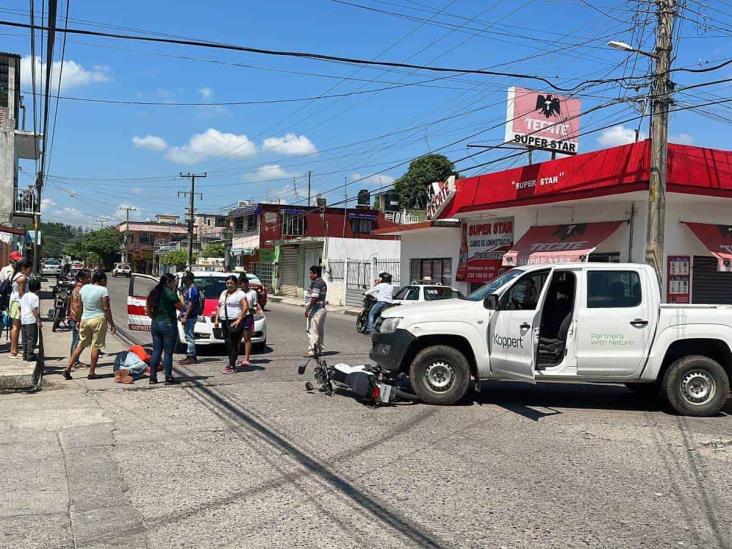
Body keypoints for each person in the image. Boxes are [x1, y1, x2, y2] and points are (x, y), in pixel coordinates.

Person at [63, 270, 116, 380]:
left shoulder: (84, 288)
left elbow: (80, 307)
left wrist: (78, 320)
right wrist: (111, 323)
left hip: (85, 319)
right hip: (98, 319)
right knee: (96, 346)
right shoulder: (103, 290)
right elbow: (106, 308)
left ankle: (68, 369)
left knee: (81, 345)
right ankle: (91, 372)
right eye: (105, 280)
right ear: (102, 280)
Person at [146, 273, 184, 385]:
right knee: (168, 352)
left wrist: (155, 318)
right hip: (168, 325)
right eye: (173, 282)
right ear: (169, 282)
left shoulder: (154, 292)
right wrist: (181, 298)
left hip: (155, 324)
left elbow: (148, 309)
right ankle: (168, 377)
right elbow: (181, 308)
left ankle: (152, 377)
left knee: (156, 350)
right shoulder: (170, 293)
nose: (174, 284)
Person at [214, 275, 247, 374]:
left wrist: (238, 320)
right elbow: (219, 306)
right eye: (228, 283)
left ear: (236, 284)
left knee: (233, 343)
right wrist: (216, 319)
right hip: (225, 321)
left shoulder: (240, 294)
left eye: (231, 283)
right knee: (227, 343)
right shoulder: (224, 293)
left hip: (235, 321)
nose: (229, 285)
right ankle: (231, 362)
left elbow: (245, 307)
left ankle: (232, 366)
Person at [8, 259, 32, 359]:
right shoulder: (22, 278)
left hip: (14, 303)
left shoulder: (17, 275)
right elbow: (22, 294)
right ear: (23, 268)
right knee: (16, 327)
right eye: (29, 269)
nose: (30, 271)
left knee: (15, 327)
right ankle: (13, 351)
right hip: (19, 303)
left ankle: (14, 349)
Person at [66, 269, 90, 369]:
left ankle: (75, 360)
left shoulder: (78, 288)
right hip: (76, 318)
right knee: (77, 341)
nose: (89, 279)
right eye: (87, 277)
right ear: (81, 279)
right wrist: (78, 320)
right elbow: (76, 306)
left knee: (77, 340)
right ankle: (74, 361)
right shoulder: (79, 290)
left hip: (75, 318)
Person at [237, 274, 260, 368]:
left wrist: (253, 310)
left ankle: (246, 359)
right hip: (238, 317)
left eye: (242, 284)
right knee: (237, 338)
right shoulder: (237, 292)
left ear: (247, 284)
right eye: (239, 284)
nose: (241, 286)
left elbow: (255, 305)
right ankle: (235, 358)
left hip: (248, 317)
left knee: (247, 338)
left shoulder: (253, 293)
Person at [304, 265, 327, 358]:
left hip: (317, 310)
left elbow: (314, 298)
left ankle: (312, 351)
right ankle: (320, 350)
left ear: (315, 274)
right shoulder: (321, 283)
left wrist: (308, 309)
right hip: (321, 309)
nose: (309, 275)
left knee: (313, 330)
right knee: (319, 330)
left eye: (310, 273)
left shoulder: (317, 284)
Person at [179, 272, 200, 365]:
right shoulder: (188, 289)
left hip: (190, 317)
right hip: (187, 315)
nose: (184, 281)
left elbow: (191, 304)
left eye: (186, 279)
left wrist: (185, 316)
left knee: (190, 337)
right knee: (187, 336)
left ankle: (191, 356)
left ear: (190, 280)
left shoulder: (193, 289)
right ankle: (190, 355)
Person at [20, 278, 42, 362]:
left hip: (23, 319)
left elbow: (20, 306)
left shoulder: (25, 295)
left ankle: (25, 354)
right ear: (38, 288)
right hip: (31, 320)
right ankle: (30, 355)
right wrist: (38, 321)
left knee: (25, 338)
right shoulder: (35, 297)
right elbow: (34, 310)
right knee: (32, 338)